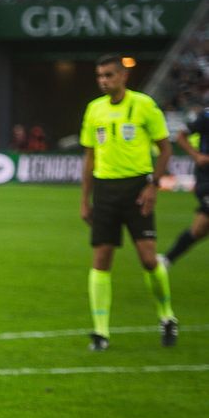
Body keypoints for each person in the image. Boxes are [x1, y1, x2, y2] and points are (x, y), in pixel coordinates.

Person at [79, 55, 177, 350]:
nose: (103, 81)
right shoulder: (94, 110)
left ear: (123, 76)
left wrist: (152, 186)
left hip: (137, 187)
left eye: (109, 75)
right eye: (100, 76)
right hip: (105, 189)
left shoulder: (144, 105)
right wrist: (85, 200)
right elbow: (89, 157)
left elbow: (165, 149)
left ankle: (167, 316)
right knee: (101, 260)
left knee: (148, 259)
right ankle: (101, 332)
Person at [161, 106, 209, 267]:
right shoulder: (206, 115)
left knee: (199, 229)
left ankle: (166, 260)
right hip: (206, 180)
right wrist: (196, 156)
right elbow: (181, 136)